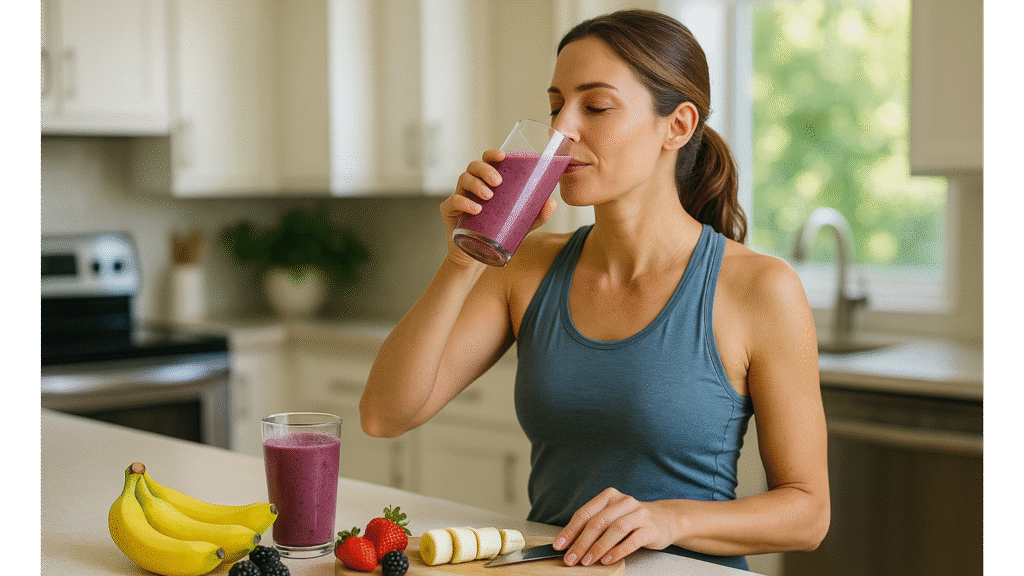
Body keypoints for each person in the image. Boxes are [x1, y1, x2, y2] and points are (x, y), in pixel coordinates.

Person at [359, 8, 829, 571]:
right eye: (556, 105)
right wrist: (463, 260)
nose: (562, 130)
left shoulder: (759, 288)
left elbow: (807, 514)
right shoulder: (527, 266)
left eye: (597, 106)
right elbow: (384, 416)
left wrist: (669, 519)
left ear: (677, 126)